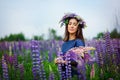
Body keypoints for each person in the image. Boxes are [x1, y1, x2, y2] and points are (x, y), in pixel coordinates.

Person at [55, 13, 87, 79]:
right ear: (67, 26)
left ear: (78, 28)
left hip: (75, 76)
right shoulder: (64, 43)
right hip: (64, 76)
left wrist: (66, 61)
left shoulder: (78, 42)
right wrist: (57, 60)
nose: (72, 26)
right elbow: (62, 57)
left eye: (74, 24)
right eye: (70, 24)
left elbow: (81, 60)